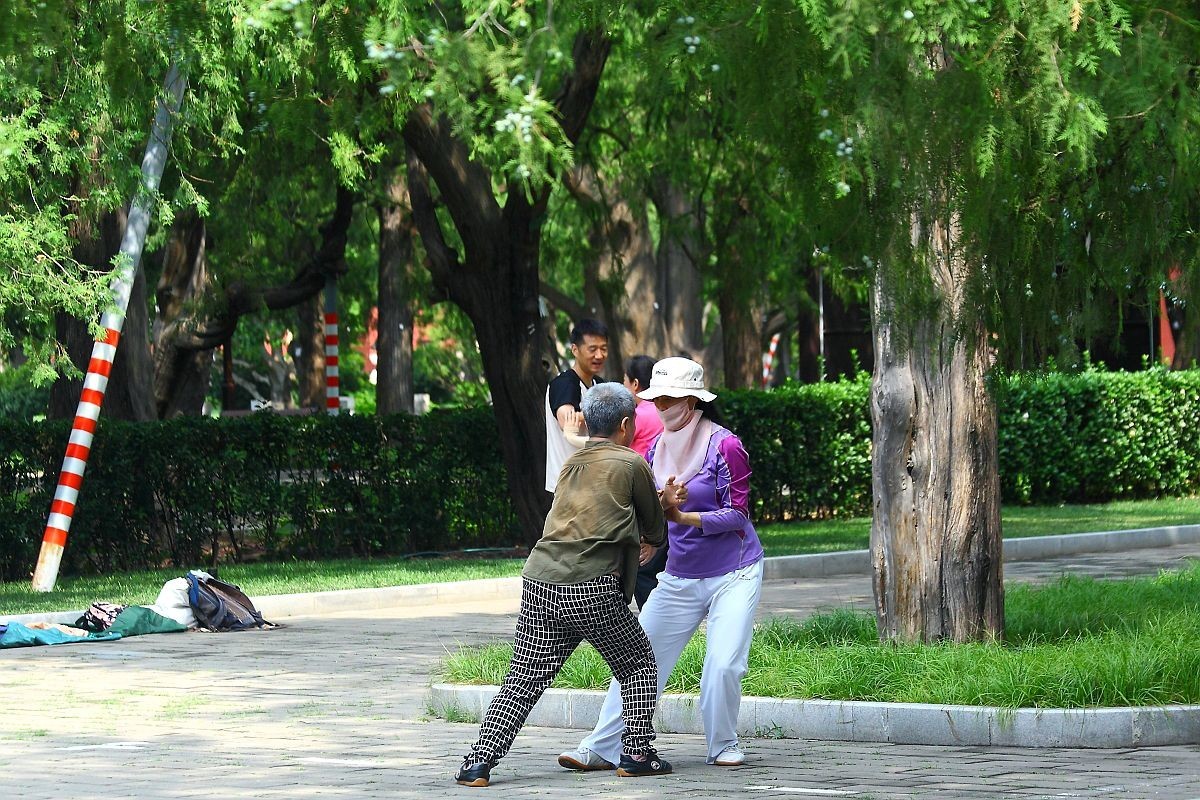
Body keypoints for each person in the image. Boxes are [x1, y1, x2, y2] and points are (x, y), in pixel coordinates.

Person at [456, 382, 684, 787]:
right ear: (627, 425)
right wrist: (665, 502)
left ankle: (478, 763)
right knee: (638, 666)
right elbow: (654, 529)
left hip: (541, 579)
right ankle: (636, 754)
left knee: (523, 679)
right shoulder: (632, 464)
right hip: (590, 586)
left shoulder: (571, 464)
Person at [558, 357, 765, 772]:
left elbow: (739, 515)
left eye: (669, 399)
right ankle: (601, 746)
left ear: (691, 400)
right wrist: (653, 537)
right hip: (681, 574)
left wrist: (683, 517)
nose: (660, 406)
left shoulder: (725, 444)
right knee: (637, 659)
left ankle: (722, 743)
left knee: (723, 662)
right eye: (656, 399)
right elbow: (651, 508)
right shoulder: (653, 449)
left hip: (735, 571)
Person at [544, 318, 609, 493]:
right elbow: (567, 422)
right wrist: (608, 414)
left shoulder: (599, 384)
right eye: (592, 349)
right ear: (575, 349)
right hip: (570, 485)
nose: (599, 355)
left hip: (595, 482)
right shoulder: (564, 383)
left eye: (603, 349)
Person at [624, 354, 667, 609]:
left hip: (644, 494)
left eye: (626, 381)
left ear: (636, 384)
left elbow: (612, 443)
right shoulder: (664, 412)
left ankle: (652, 617)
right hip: (667, 493)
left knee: (643, 565)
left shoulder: (637, 415)